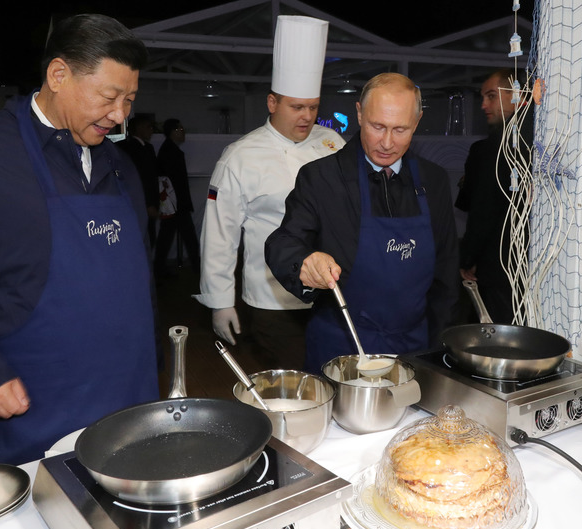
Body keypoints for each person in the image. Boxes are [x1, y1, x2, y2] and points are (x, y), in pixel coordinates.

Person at [0, 14, 160, 467]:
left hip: (125, 398)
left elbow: (141, 280)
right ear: (58, 75)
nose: (120, 115)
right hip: (31, 406)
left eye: (130, 100)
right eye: (109, 97)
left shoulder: (120, 166)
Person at [265, 73, 459, 373]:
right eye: (377, 126)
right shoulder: (321, 178)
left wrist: (440, 354)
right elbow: (283, 242)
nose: (387, 143)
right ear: (359, 114)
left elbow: (446, 274)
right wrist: (304, 260)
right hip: (340, 347)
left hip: (416, 348)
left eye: (400, 129)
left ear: (417, 121)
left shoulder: (434, 180)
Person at [194, 16, 344, 371]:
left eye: (313, 107)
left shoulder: (333, 143)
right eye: (297, 107)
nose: (307, 116)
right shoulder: (240, 156)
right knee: (291, 387)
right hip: (272, 302)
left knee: (334, 378)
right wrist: (220, 301)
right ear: (272, 102)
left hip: (331, 295)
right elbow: (220, 234)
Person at [459, 68, 532, 324]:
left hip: (501, 262)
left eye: (491, 96)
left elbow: (484, 208)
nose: (483, 105)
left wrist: (467, 257)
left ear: (516, 94)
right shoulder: (543, 131)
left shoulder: (500, 142)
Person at [153, 118, 200, 276]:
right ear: (172, 132)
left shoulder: (169, 149)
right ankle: (197, 268)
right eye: (180, 130)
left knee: (168, 236)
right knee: (186, 237)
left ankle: (159, 268)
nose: (183, 132)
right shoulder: (170, 151)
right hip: (176, 203)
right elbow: (175, 182)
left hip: (174, 203)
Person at [117, 114, 160, 246]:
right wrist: (149, 203)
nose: (151, 130)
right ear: (139, 128)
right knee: (144, 238)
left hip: (137, 201)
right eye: (148, 127)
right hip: (139, 201)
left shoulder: (145, 147)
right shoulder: (133, 149)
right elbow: (144, 178)